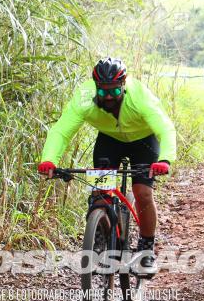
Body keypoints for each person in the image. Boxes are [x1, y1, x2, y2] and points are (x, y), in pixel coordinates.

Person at [37, 57, 177, 277]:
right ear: (96, 87)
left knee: (142, 192)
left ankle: (146, 250)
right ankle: (102, 240)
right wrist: (49, 159)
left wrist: (165, 159)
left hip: (144, 141)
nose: (108, 96)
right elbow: (62, 131)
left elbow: (165, 128)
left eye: (114, 91)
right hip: (109, 140)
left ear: (123, 86)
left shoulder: (139, 96)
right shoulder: (84, 97)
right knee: (101, 193)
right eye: (102, 93)